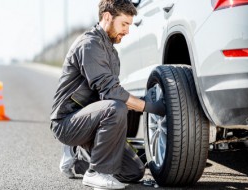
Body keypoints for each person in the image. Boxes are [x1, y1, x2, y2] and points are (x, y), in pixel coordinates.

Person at [50, 0, 165, 189]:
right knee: (115, 107)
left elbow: (110, 95)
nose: (127, 31)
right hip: (66, 122)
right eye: (124, 24)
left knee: (133, 171)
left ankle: (77, 159)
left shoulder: (111, 52)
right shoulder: (90, 44)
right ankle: (97, 173)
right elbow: (111, 92)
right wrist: (149, 107)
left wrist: (142, 102)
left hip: (91, 120)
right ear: (107, 17)